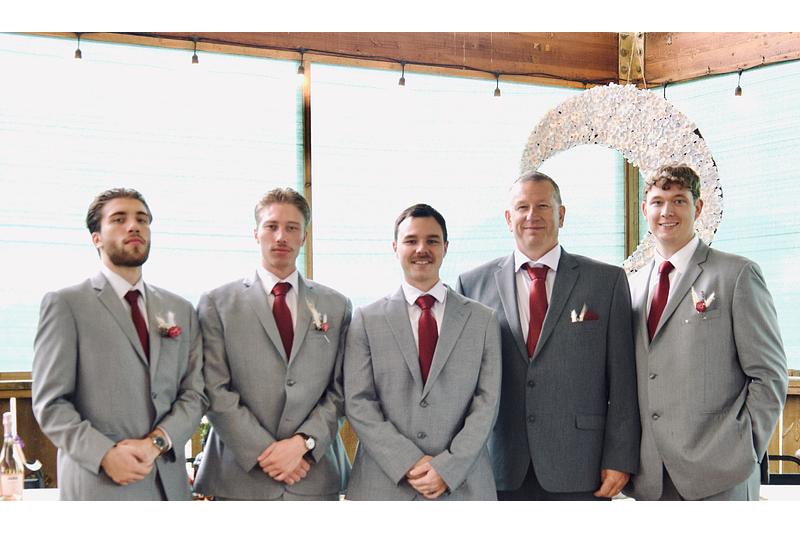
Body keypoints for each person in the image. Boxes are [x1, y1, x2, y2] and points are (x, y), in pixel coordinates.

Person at [456, 171, 640, 500]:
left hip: (581, 463)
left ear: (561, 214)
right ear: (508, 218)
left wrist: (619, 457)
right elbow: (461, 384)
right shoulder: (472, 285)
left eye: (543, 206)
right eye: (522, 207)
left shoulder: (606, 281)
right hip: (498, 463)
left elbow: (623, 380)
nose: (532, 215)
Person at [32, 188, 207, 500]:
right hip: (99, 484)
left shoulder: (180, 309)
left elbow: (195, 393)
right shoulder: (66, 304)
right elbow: (51, 403)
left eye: (142, 219)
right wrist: (104, 454)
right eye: (119, 219)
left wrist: (158, 442)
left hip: (169, 485)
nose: (133, 226)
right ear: (96, 238)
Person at [625, 164, 788, 501]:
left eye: (679, 201)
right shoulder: (631, 285)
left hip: (720, 473)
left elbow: (769, 374)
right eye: (657, 202)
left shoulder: (736, 274)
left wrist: (744, 448)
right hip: (650, 477)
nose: (667, 212)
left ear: (698, 207)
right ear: (644, 210)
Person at [193, 188, 351, 500]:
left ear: (304, 236)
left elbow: (343, 387)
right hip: (239, 478)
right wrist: (267, 452)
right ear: (255, 233)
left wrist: (303, 444)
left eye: (292, 228)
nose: (281, 236)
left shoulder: (336, 305)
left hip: (314, 474)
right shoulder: (217, 303)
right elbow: (213, 387)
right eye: (271, 226)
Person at [344, 204, 501, 500]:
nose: (421, 249)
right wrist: (408, 462)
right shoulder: (366, 319)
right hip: (383, 486)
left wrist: (448, 468)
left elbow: (487, 403)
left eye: (432, 240)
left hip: (463, 485)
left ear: (445, 247)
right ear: (395, 247)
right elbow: (358, 402)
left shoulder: (482, 320)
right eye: (411, 240)